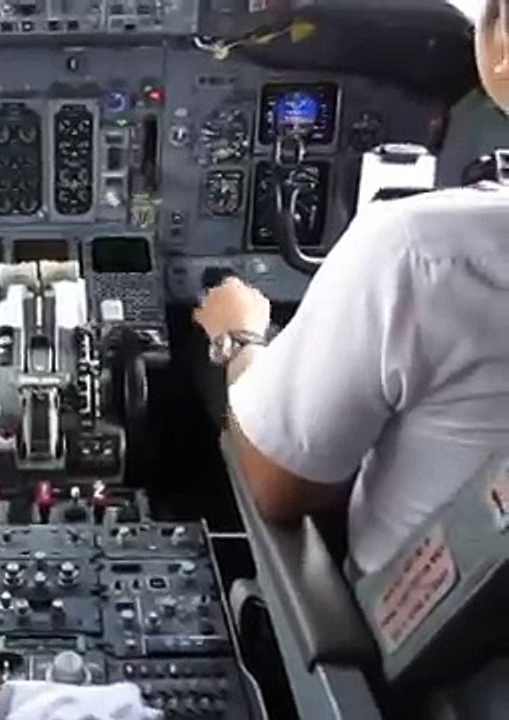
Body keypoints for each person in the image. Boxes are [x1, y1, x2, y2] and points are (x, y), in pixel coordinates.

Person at [194, 0, 509, 580]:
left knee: (222, 384)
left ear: (501, 47)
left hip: (408, 639)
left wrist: (239, 338)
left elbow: (275, 486)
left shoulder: (423, 249)